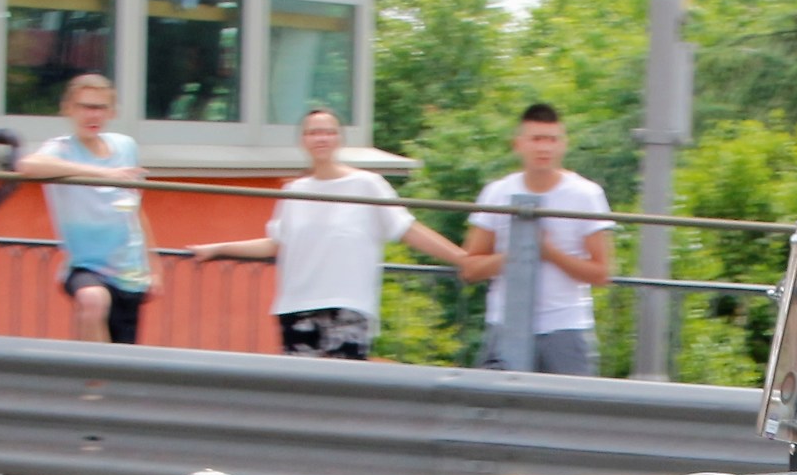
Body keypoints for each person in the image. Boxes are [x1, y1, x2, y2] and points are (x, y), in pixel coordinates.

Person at [190, 108, 468, 359]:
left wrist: (461, 258)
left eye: (328, 132)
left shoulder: (367, 184)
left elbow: (407, 228)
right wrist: (218, 248)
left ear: (339, 139)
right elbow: (277, 244)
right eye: (313, 132)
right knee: (300, 394)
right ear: (303, 140)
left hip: (348, 305)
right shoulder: (293, 191)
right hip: (296, 306)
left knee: (343, 392)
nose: (321, 138)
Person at [458, 103, 615, 376]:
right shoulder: (497, 193)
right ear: (518, 144)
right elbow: (470, 268)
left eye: (552, 140)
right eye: (536, 139)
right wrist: (520, 251)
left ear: (563, 145)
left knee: (570, 412)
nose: (544, 148)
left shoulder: (586, 194)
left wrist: (549, 252)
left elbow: (602, 273)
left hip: (566, 325)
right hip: (504, 323)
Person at [19, 74, 158, 347]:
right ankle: (93, 382)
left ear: (111, 112)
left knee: (123, 355)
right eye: (84, 106)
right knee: (93, 300)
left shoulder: (125, 145)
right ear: (68, 109)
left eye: (99, 108)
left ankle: (102, 381)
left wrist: (154, 266)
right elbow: (28, 166)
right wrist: (102, 172)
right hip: (85, 267)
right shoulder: (61, 148)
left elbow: (135, 210)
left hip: (129, 272)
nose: (91, 115)